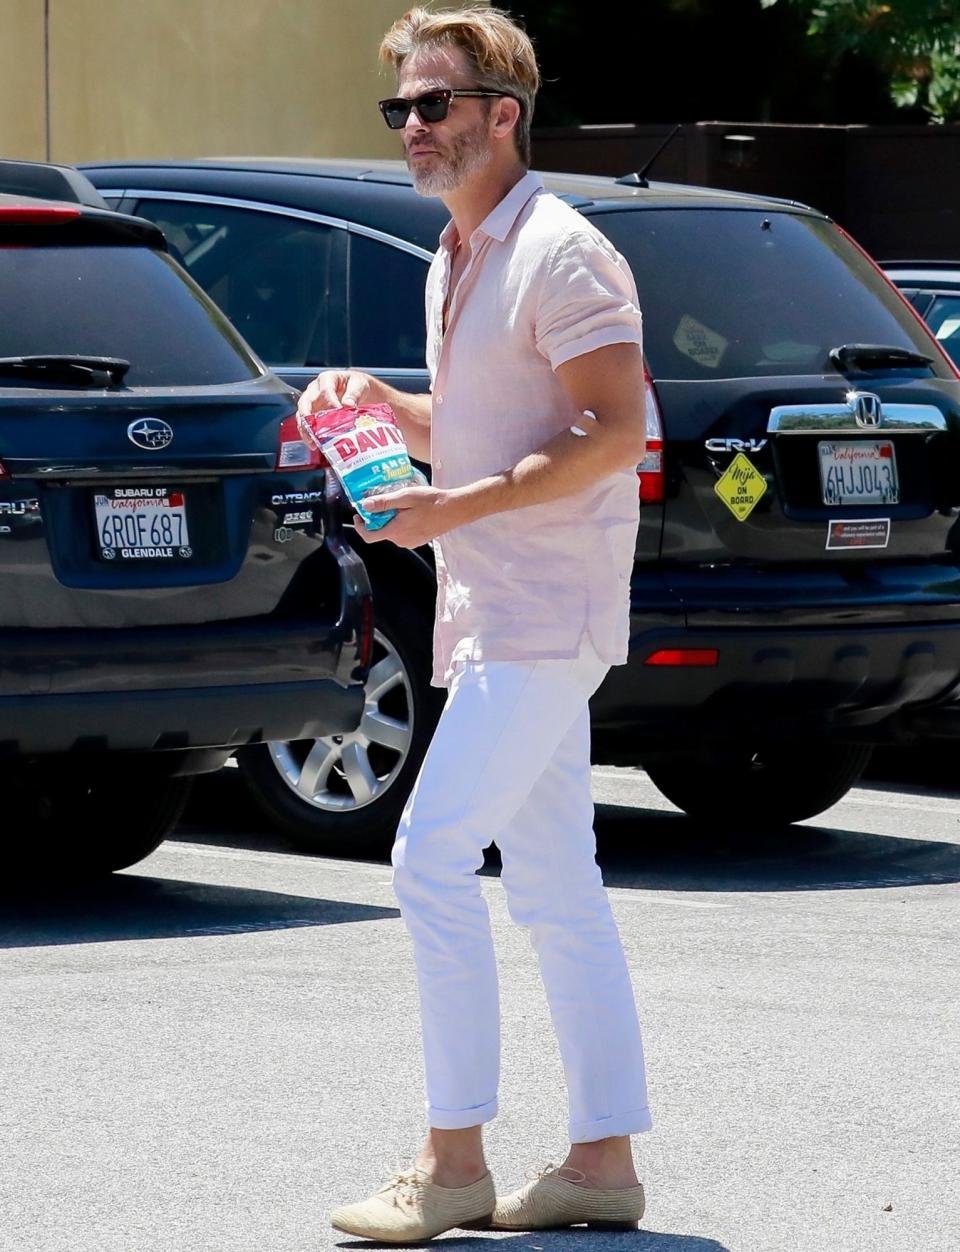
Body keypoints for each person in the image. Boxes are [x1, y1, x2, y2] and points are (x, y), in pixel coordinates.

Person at [297, 5, 652, 1241]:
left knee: (429, 857)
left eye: (433, 103)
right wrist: (382, 404)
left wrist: (458, 506)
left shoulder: (562, 251)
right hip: (489, 605)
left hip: (543, 612)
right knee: (557, 882)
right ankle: (601, 1168)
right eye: (399, 107)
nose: (411, 127)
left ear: (505, 113)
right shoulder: (457, 255)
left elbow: (616, 431)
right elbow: (486, 432)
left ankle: (452, 1164)